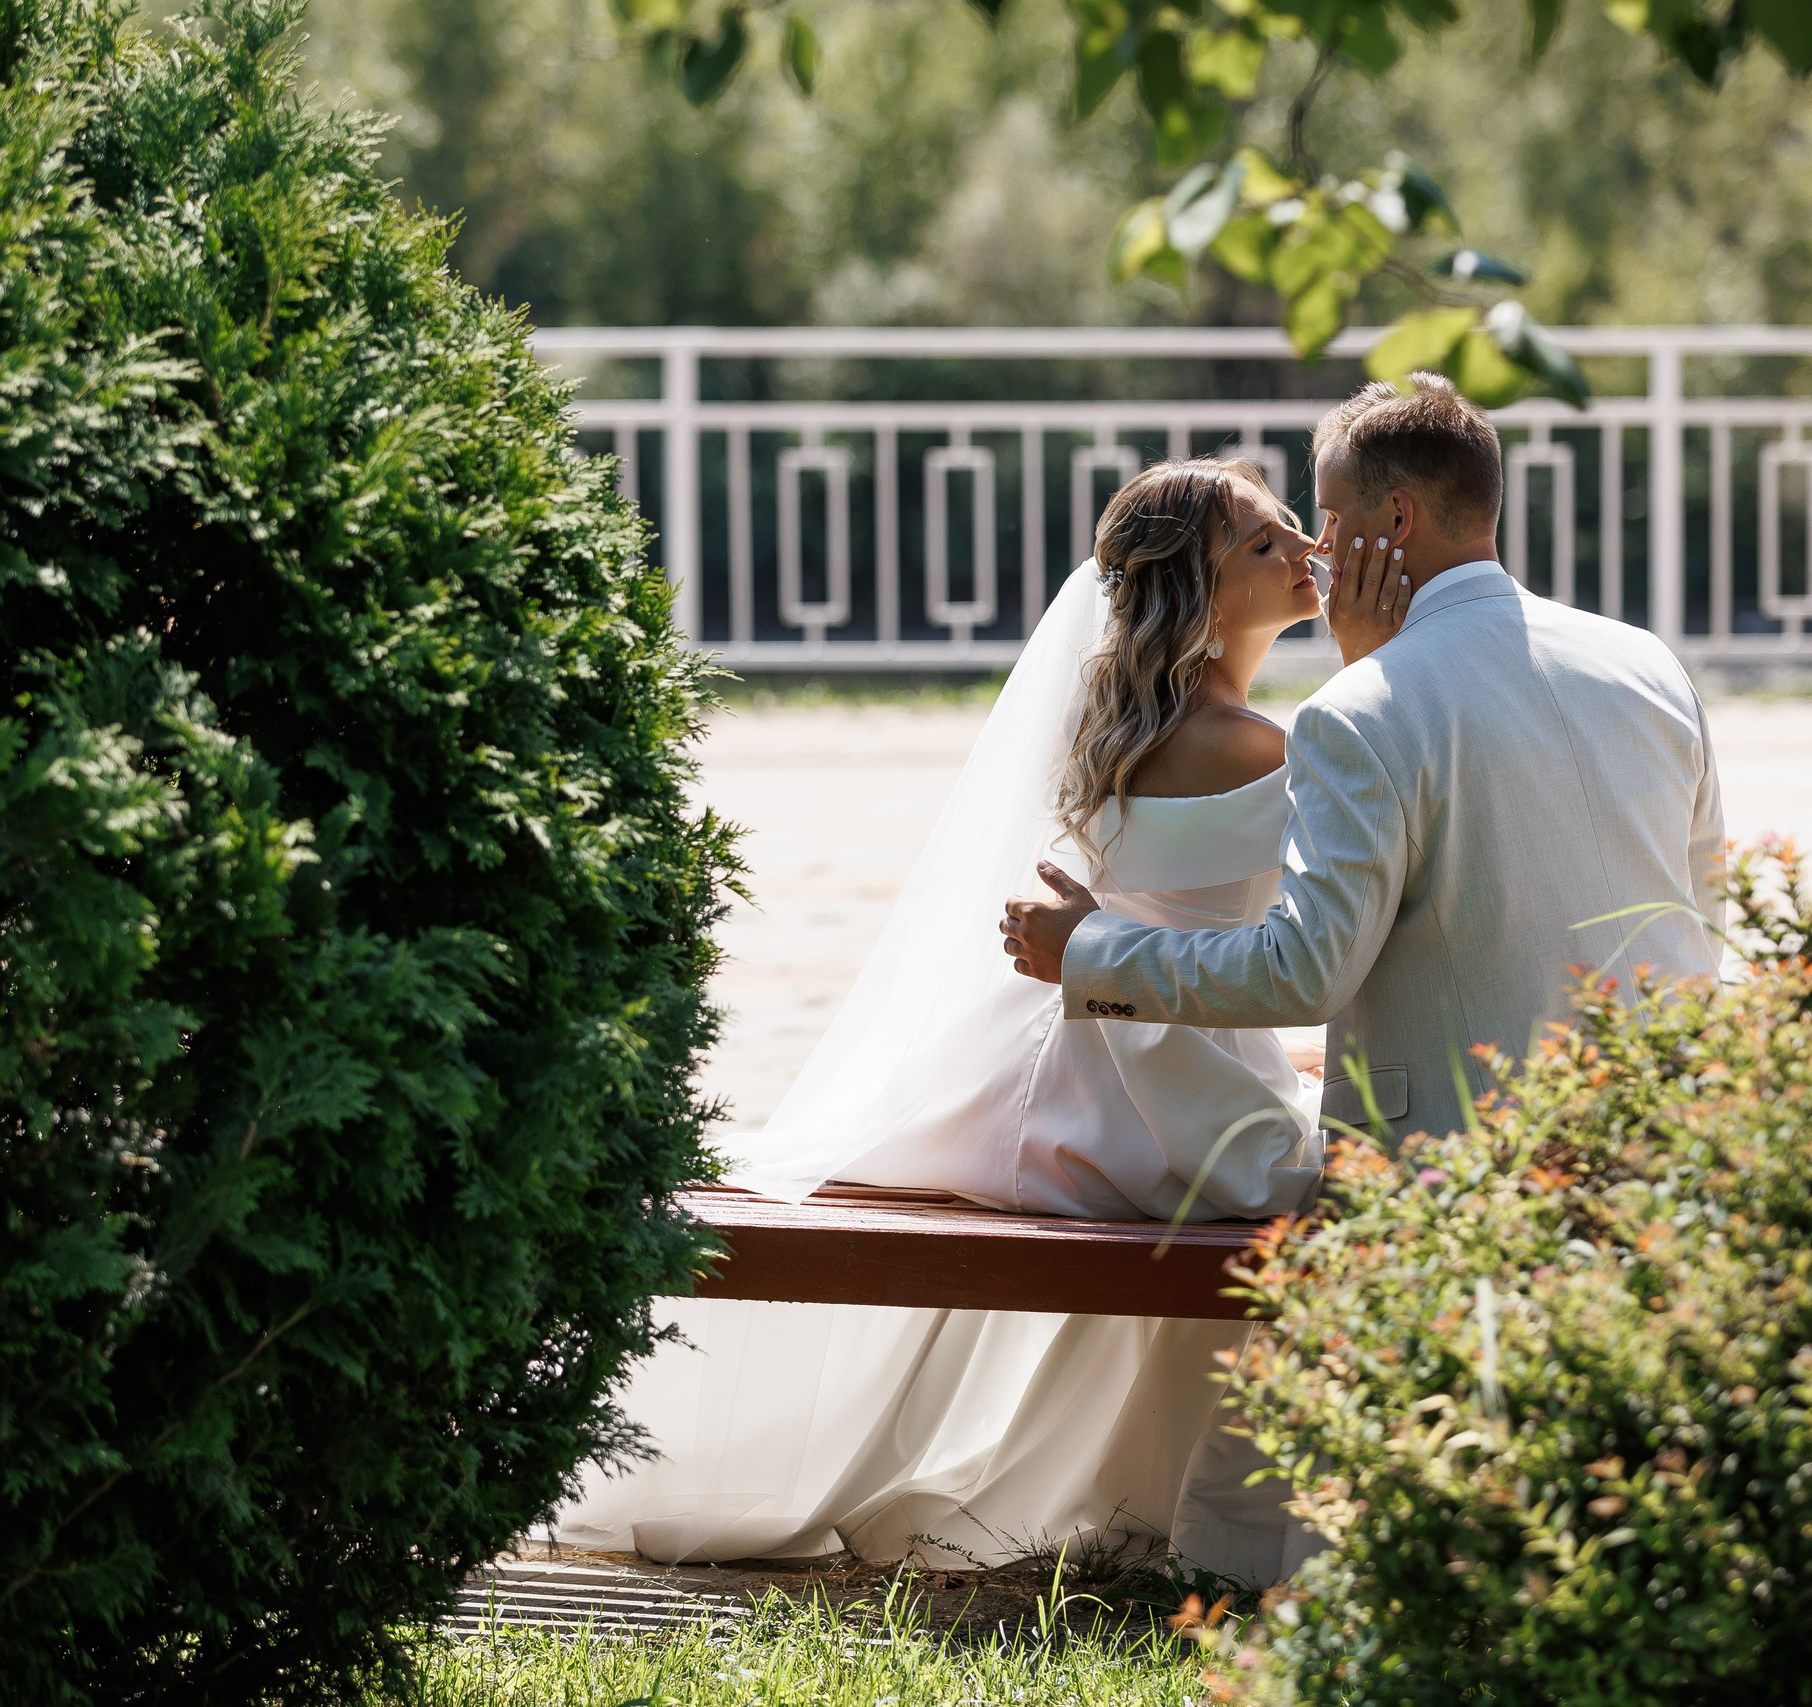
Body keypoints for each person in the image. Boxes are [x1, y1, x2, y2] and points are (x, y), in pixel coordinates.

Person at [548, 457, 1411, 1582]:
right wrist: (1379, 669)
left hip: (1099, 1066)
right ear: (1193, 599)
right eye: (1261, 543)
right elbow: (1333, 932)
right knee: (1357, 1168)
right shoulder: (1254, 749)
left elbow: (1189, 931)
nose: (1304, 549)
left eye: (1295, 524)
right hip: (1167, 1107)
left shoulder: (1125, 727)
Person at [1002, 376, 1727, 1147]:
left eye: (1330, 516)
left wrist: (1092, 951)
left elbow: (1305, 971)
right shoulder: (1650, 662)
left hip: (1463, 1152)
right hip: (1669, 1124)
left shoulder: (1360, 710)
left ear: (1398, 518)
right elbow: (1705, 912)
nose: (1318, 545)